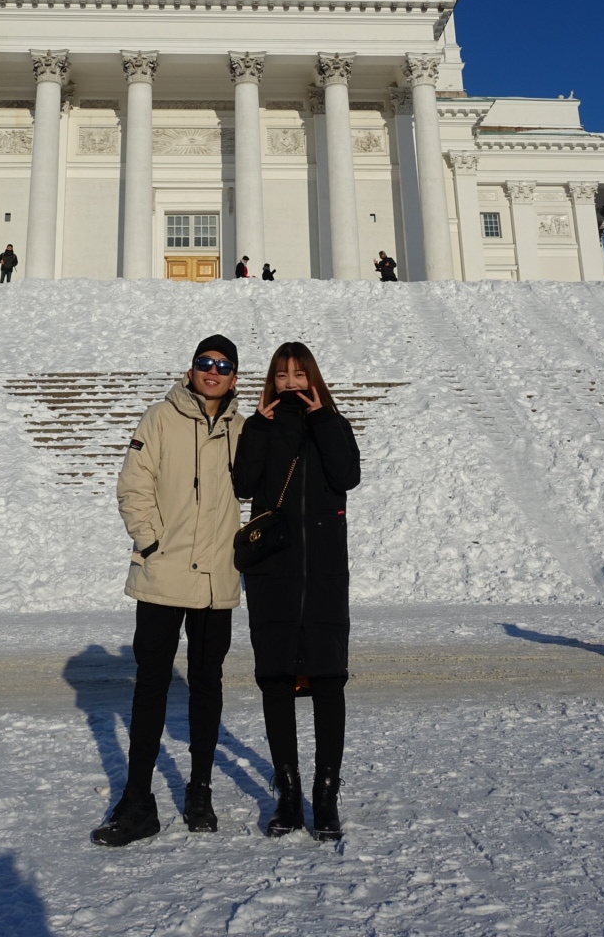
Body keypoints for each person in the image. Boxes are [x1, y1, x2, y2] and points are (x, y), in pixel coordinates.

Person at [92, 334, 245, 848]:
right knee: (150, 687)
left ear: (235, 377)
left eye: (223, 366)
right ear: (191, 368)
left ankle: (199, 789)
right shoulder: (159, 418)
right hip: (161, 576)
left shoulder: (243, 430)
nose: (213, 371)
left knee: (206, 684)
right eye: (205, 362)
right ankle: (138, 801)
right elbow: (133, 485)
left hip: (214, 579)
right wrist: (151, 543)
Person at [232, 341, 361, 842]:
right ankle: (288, 795)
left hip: (325, 571)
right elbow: (244, 485)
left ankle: (324, 798)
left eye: (298, 374)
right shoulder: (258, 426)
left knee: (329, 681)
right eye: (281, 375)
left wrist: (324, 419)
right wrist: (261, 428)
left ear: (313, 377)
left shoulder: (334, 422)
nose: (289, 383)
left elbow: (347, 476)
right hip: (274, 572)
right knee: (277, 680)